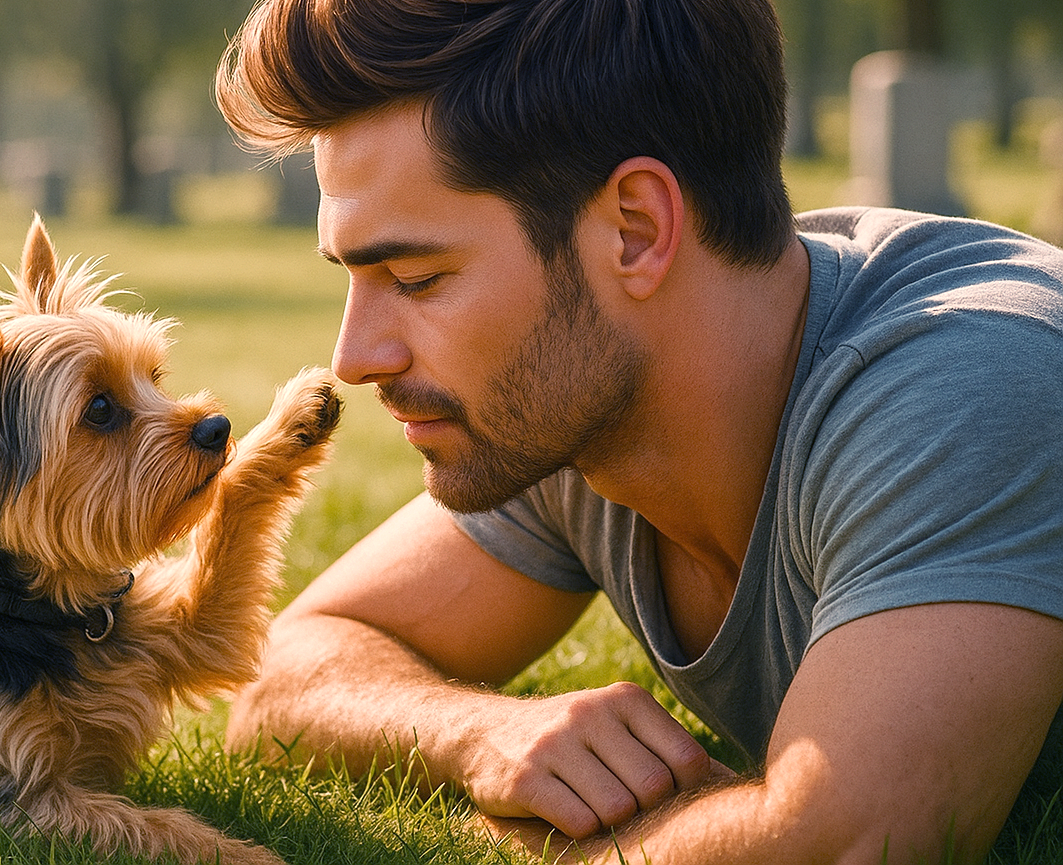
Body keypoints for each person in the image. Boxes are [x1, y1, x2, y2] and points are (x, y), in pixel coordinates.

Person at [213, 0, 1063, 862]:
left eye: (418, 277)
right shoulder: (577, 405)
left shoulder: (968, 383)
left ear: (637, 229)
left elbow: (842, 841)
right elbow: (280, 677)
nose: (353, 357)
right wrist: (474, 731)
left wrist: (563, 842)